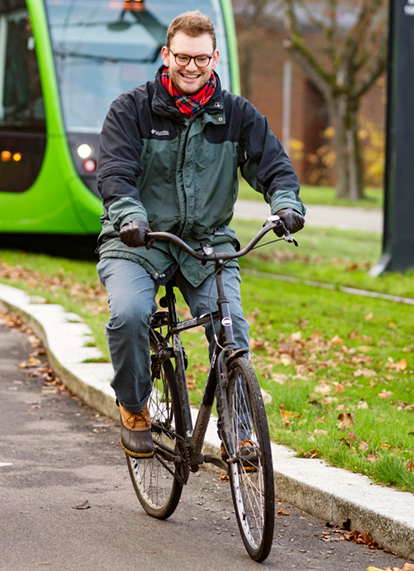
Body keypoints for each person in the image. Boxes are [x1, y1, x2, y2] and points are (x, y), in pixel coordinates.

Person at [95, 11, 305, 458]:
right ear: (167, 54)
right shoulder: (131, 109)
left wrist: (286, 203)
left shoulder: (236, 114)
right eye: (184, 57)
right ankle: (133, 407)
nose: (192, 67)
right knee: (131, 315)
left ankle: (239, 430)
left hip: (207, 243)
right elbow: (115, 173)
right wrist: (130, 217)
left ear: (214, 59)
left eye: (202, 59)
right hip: (138, 241)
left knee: (232, 333)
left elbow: (274, 167)